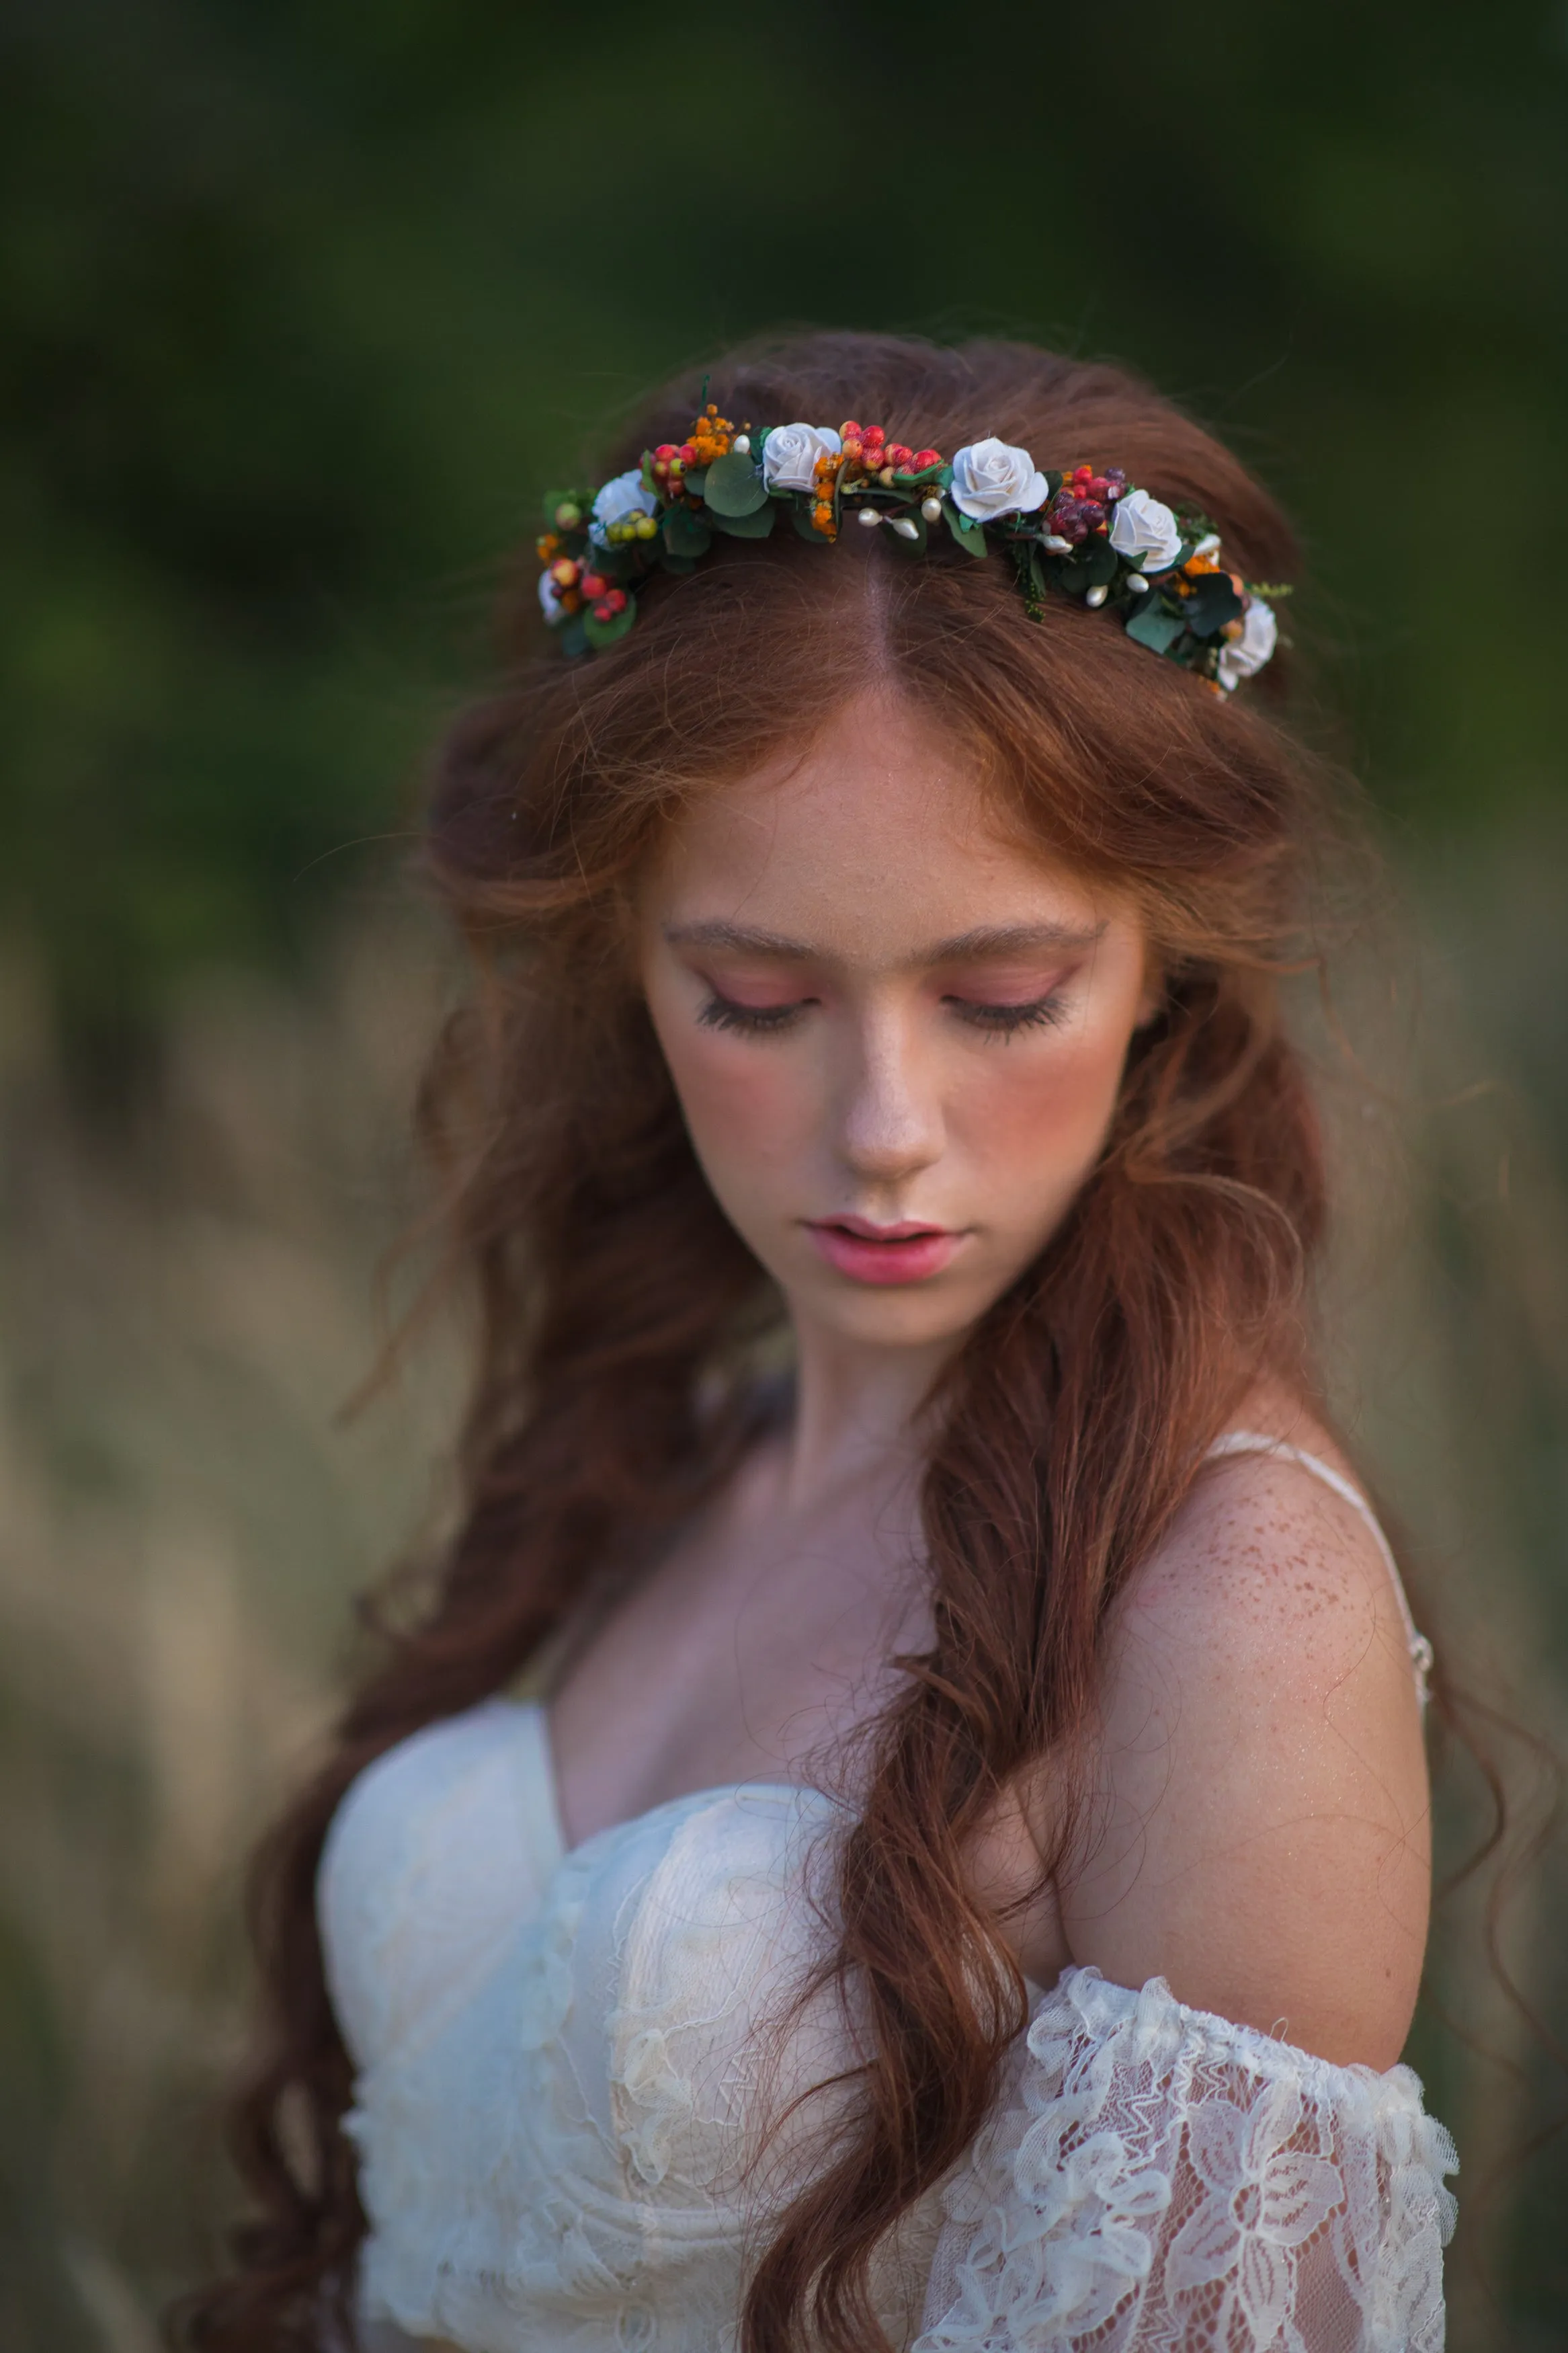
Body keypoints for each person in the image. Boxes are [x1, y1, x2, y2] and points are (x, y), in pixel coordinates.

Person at [185, 333, 1458, 2353]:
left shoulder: (1231, 1594)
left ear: (1159, 971)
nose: (881, 1127)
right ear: (627, 965)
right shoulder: (679, 1461)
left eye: (1003, 992)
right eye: (758, 996)